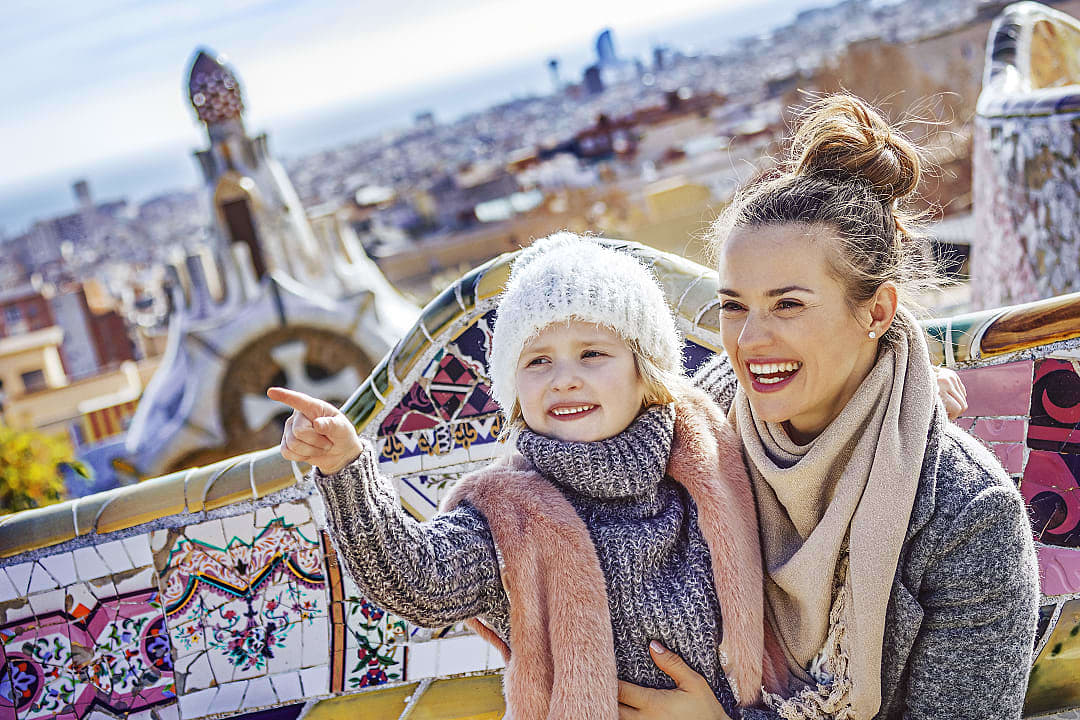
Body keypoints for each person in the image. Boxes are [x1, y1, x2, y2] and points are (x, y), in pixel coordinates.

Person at [616, 95, 1040, 720]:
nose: (750, 340)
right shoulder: (704, 424)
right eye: (735, 306)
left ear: (876, 311)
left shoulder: (968, 521)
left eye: (788, 305)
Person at [268, 233, 788, 720]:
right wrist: (344, 467)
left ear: (644, 371)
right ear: (513, 387)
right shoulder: (507, 513)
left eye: (592, 353)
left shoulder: (706, 450)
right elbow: (416, 583)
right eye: (537, 361)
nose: (564, 379)